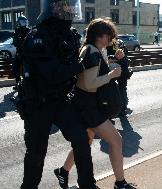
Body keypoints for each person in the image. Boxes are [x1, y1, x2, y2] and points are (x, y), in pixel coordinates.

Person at [20, 0, 99, 189]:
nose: (70, 9)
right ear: (52, 7)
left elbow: (70, 65)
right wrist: (82, 65)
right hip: (38, 102)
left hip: (60, 99)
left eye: (72, 5)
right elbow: (52, 74)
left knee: (81, 137)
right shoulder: (38, 36)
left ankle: (88, 184)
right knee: (36, 152)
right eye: (65, 5)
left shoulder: (69, 34)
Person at [54, 18, 136, 189]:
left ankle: (63, 170)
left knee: (86, 141)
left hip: (85, 103)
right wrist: (111, 75)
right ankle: (120, 183)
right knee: (116, 140)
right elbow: (88, 83)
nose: (111, 40)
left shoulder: (93, 49)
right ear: (100, 36)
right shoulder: (92, 51)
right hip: (88, 106)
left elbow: (94, 71)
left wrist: (112, 61)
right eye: (109, 36)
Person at [107, 38, 133, 116]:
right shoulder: (119, 42)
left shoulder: (108, 43)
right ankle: (122, 109)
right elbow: (126, 54)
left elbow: (111, 57)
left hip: (114, 69)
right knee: (122, 89)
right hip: (123, 69)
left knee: (113, 88)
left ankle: (115, 108)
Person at [12, 15, 30, 89]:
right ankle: (18, 83)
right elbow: (15, 42)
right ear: (19, 23)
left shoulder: (29, 30)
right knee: (15, 67)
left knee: (27, 68)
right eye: (22, 22)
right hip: (19, 53)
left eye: (25, 22)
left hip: (28, 53)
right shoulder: (17, 31)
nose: (24, 23)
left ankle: (27, 83)